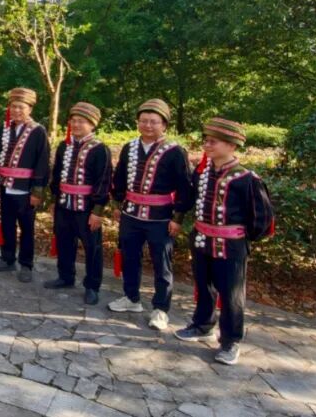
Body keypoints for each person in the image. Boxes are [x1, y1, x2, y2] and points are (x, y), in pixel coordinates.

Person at [174, 118, 274, 366]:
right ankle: (202, 325)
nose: (207, 145)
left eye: (213, 142)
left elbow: (262, 217)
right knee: (204, 285)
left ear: (231, 146)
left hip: (231, 245)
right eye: (206, 140)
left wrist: (240, 237)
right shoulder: (202, 173)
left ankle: (230, 341)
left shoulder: (247, 179)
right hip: (201, 239)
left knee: (231, 294)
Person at [108, 98, 195, 332]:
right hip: (131, 214)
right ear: (137, 122)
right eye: (143, 120)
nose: (148, 125)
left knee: (161, 263)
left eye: (154, 121)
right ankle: (131, 298)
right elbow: (119, 178)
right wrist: (117, 203)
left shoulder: (175, 151)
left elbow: (185, 187)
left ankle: (160, 309)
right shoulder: (129, 148)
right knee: (129, 257)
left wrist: (178, 217)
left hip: (161, 217)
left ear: (164, 125)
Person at [45, 102, 112, 305]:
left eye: (81, 121)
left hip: (87, 208)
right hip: (64, 204)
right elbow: (57, 175)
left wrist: (98, 211)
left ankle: (92, 286)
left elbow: (104, 181)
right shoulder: (64, 146)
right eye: (73, 120)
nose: (76, 124)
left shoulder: (100, 149)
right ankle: (65, 276)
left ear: (92, 124)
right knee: (64, 241)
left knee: (92, 247)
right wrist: (54, 200)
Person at [0, 88, 50, 281]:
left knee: (26, 228)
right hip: (5, 186)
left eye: (21, 107)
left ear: (30, 109)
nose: (16, 111)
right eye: (13, 107)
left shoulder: (38, 131)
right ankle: (7, 258)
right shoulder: (3, 129)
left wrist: (37, 191)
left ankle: (26, 264)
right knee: (7, 224)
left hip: (26, 189)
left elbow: (42, 162)